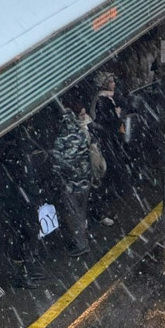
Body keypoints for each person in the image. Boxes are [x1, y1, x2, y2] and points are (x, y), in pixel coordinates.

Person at [52, 100, 93, 257]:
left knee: (73, 215)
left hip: (71, 185)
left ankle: (81, 244)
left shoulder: (61, 139)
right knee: (81, 213)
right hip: (85, 181)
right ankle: (83, 239)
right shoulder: (81, 133)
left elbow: (57, 163)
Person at [90, 71, 129, 221]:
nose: (114, 84)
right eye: (111, 81)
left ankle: (103, 209)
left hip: (109, 143)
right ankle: (100, 212)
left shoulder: (109, 97)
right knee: (104, 177)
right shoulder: (102, 100)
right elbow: (110, 121)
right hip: (106, 144)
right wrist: (116, 115)